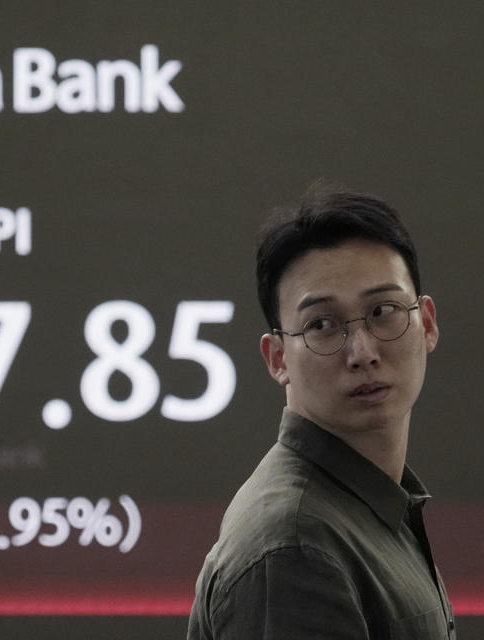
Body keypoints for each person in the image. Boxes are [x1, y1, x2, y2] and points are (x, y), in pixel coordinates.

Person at [187, 184, 456, 638]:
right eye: (322, 325)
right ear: (277, 359)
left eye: (384, 310)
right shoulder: (295, 549)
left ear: (426, 324)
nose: (363, 352)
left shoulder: (369, 505)